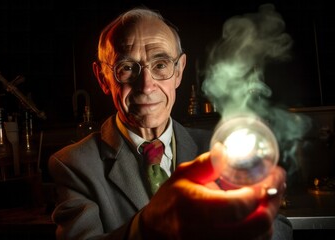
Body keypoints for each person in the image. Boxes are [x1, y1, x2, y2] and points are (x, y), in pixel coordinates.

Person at [48, 6, 293, 240]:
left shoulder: (218, 150)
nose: (146, 85)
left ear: (179, 71)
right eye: (126, 68)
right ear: (103, 78)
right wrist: (149, 228)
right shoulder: (74, 165)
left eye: (161, 65)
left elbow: (279, 227)